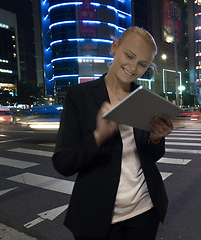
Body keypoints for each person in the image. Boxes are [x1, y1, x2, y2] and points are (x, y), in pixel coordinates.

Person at [52, 26, 173, 240]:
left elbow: (151, 156)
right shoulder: (80, 96)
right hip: (98, 216)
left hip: (145, 210)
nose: (133, 67)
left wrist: (156, 138)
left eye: (143, 64)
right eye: (129, 55)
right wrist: (99, 136)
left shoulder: (144, 98)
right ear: (114, 47)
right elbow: (63, 163)